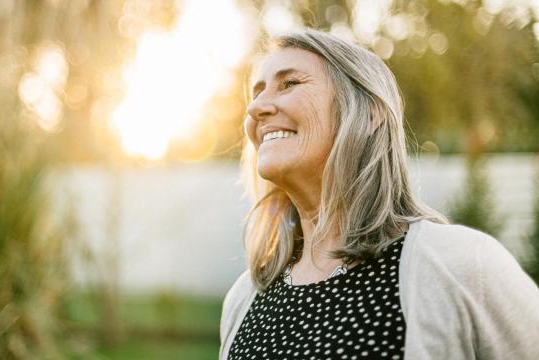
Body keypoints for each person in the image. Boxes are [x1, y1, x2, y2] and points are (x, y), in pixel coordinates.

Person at [219, 28, 539, 360]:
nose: (256, 107)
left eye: (290, 84)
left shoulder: (461, 265)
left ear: (370, 112)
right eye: (257, 92)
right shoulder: (244, 298)